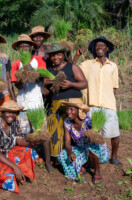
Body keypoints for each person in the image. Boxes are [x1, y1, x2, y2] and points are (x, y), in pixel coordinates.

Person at [11, 34, 54, 172]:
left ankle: (47, 162)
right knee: (24, 135)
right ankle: (25, 160)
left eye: (26, 46)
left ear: (31, 47)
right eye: (21, 46)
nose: (24, 48)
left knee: (43, 133)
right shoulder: (16, 64)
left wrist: (33, 72)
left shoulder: (39, 61)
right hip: (22, 105)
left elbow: (44, 78)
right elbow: (17, 86)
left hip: (37, 103)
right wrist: (24, 73)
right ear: (18, 49)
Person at [0, 100, 39, 194]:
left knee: (29, 150)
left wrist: (33, 140)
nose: (11, 115)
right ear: (3, 113)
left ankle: (14, 171)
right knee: (8, 174)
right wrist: (15, 167)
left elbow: (20, 140)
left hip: (3, 153)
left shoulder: (14, 123)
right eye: (8, 112)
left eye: (14, 113)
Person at [78, 36, 121, 165]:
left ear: (107, 48)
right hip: (92, 105)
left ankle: (113, 157)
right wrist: (76, 55)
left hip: (108, 105)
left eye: (102, 45)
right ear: (94, 49)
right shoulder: (87, 64)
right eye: (97, 45)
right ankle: (91, 158)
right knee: (91, 134)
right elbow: (73, 68)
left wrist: (110, 100)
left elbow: (114, 88)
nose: (100, 47)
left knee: (114, 133)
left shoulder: (113, 66)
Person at [43, 43, 88, 159]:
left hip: (73, 103)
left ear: (63, 54)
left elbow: (84, 83)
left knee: (76, 130)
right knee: (56, 132)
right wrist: (45, 84)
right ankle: (59, 157)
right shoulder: (49, 71)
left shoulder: (72, 67)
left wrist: (71, 84)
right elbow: (46, 93)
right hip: (56, 106)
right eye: (52, 55)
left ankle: (81, 156)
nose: (55, 57)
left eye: (58, 54)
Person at [58, 98, 110, 184]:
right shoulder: (67, 122)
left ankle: (97, 171)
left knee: (91, 145)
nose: (68, 112)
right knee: (62, 155)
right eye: (67, 109)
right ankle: (85, 166)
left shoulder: (89, 122)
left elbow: (97, 141)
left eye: (72, 109)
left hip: (98, 151)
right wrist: (70, 152)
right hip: (82, 149)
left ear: (79, 111)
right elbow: (67, 142)